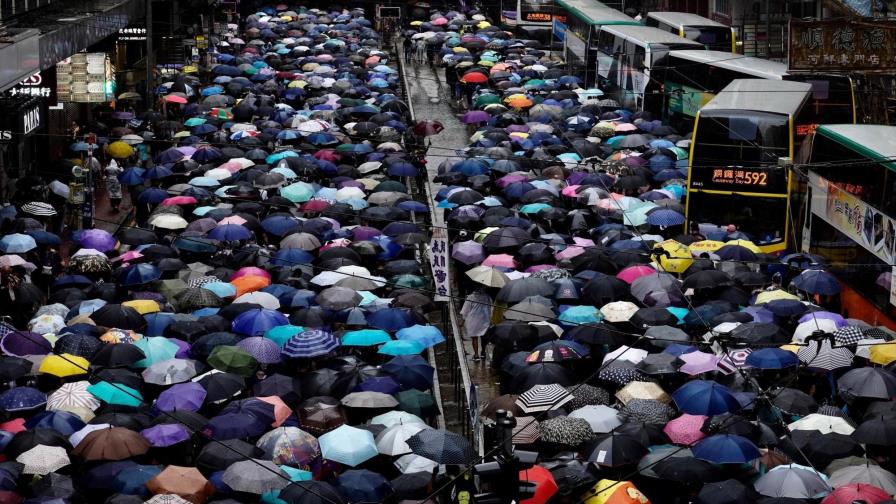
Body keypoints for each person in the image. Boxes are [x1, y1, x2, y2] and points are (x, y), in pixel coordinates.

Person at [460, 288, 492, 361]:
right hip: (484, 319)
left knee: (474, 338)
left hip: (473, 320)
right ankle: (483, 351)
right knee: (483, 337)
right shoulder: (487, 296)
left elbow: (466, 310)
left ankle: (476, 355)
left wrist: (462, 320)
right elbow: (489, 307)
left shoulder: (471, 297)